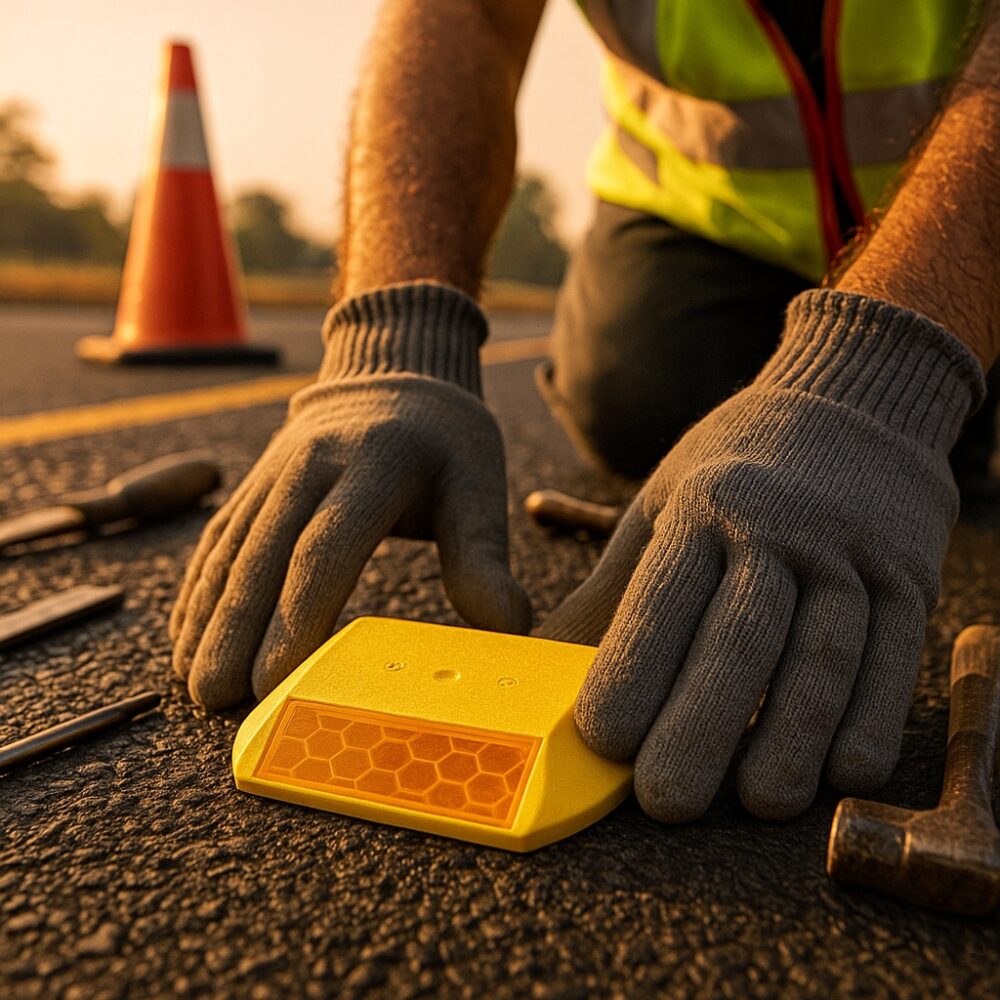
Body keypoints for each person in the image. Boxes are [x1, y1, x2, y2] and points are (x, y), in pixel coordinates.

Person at [170, 0, 999, 823]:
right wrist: (395, 334)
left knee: (893, 452)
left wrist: (887, 376)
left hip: (970, 181)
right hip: (716, 210)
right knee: (640, 398)